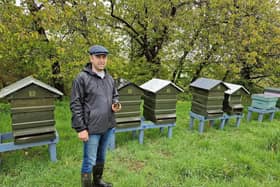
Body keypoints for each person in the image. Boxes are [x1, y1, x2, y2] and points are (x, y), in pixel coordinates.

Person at [70, 45, 121, 187]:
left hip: (108, 125)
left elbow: (114, 95)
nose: (101, 60)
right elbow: (75, 104)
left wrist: (116, 103)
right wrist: (80, 128)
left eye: (104, 57)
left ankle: (97, 182)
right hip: (91, 129)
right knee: (89, 160)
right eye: (98, 57)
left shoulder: (109, 78)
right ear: (91, 58)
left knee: (101, 157)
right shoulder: (82, 78)